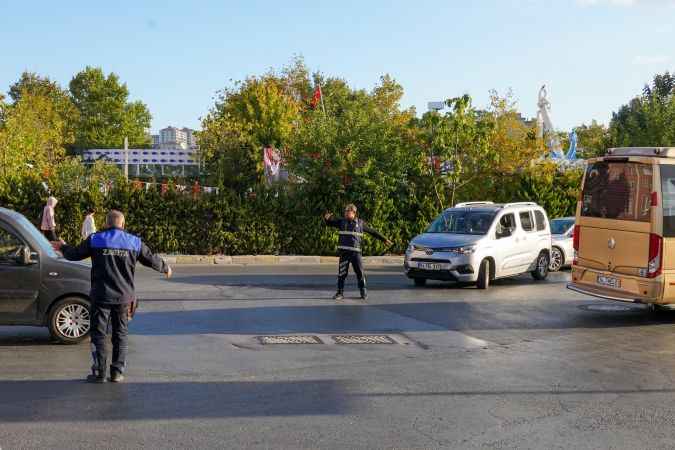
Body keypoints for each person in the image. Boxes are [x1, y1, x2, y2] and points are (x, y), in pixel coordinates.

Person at [52, 210, 172, 383]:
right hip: (124, 298)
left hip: (101, 296)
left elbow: (74, 254)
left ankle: (99, 372)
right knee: (120, 334)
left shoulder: (95, 239)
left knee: (99, 334)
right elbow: (150, 258)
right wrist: (165, 268)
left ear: (107, 224)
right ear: (122, 224)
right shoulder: (134, 242)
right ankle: (117, 372)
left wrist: (62, 246)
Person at [323, 204, 392, 301]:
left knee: (360, 273)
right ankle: (340, 293)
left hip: (356, 254)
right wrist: (327, 219)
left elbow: (373, 232)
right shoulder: (341, 222)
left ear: (354, 213)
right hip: (344, 253)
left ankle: (363, 291)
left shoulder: (360, 223)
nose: (346, 213)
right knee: (342, 273)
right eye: (345, 211)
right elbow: (330, 223)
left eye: (348, 211)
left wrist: (384, 239)